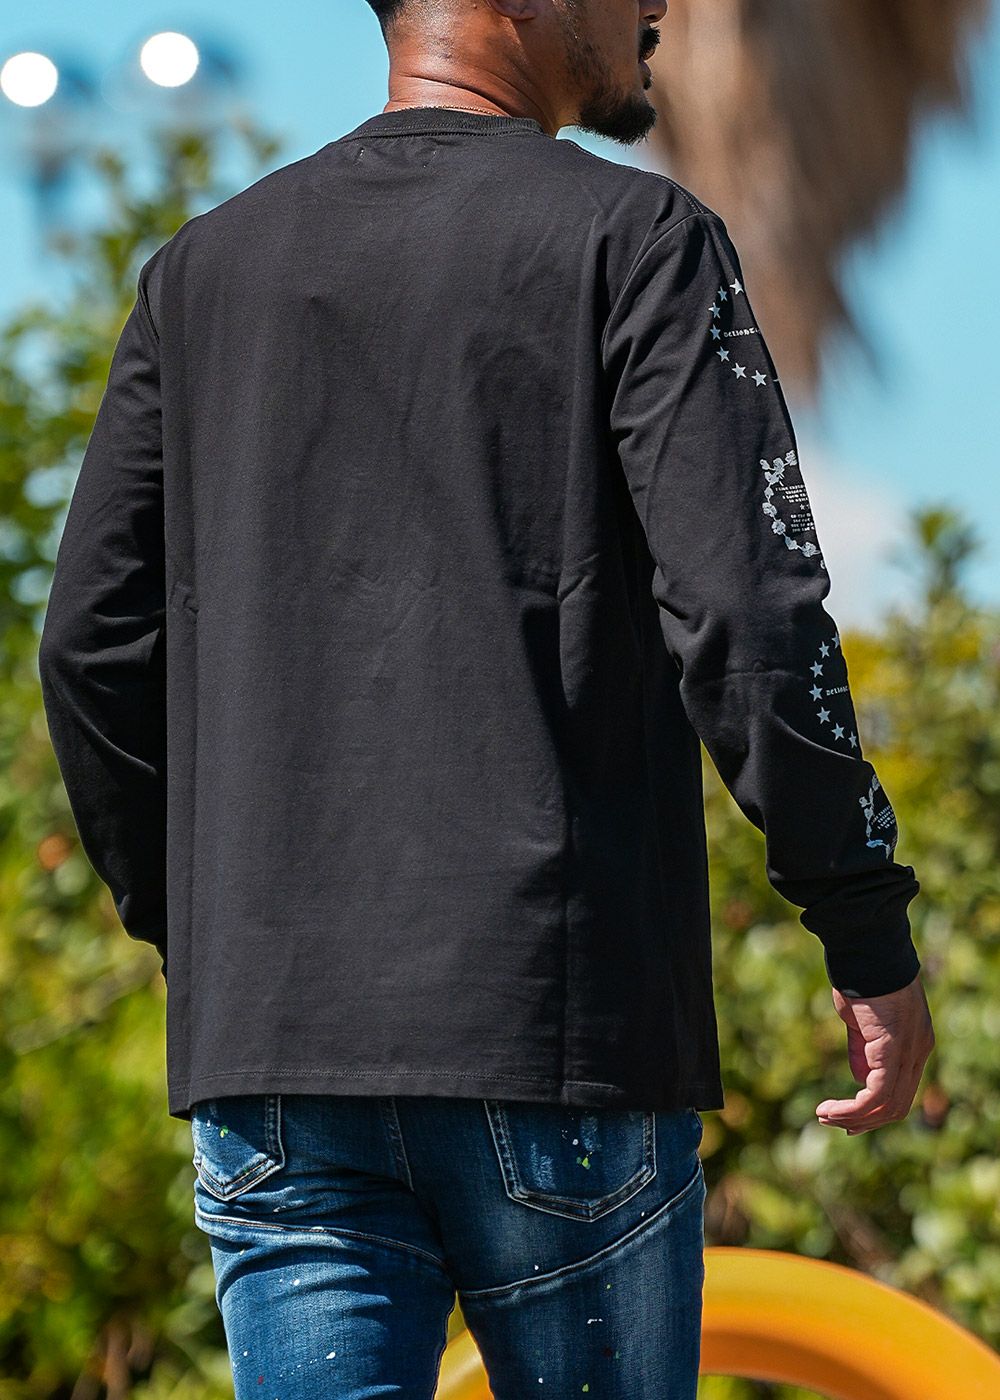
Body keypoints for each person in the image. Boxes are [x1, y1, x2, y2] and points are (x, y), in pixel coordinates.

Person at [37, 0, 936, 1395]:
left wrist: (214, 936)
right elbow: (750, 617)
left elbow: (91, 649)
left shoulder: (203, 271)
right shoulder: (639, 240)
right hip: (558, 1035)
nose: (659, 6)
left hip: (279, 1056)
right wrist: (863, 925)